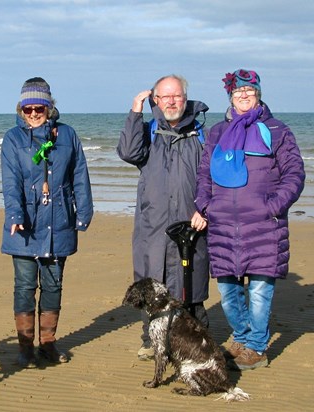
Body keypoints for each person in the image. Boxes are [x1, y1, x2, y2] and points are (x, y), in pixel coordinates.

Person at [195, 68, 305, 370]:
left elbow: (294, 174)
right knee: (228, 291)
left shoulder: (278, 130)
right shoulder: (217, 132)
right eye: (238, 91)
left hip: (263, 224)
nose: (243, 95)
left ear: (258, 94)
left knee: (259, 289)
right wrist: (205, 204)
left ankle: (257, 347)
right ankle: (241, 338)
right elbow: (204, 174)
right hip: (222, 225)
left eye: (249, 90)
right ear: (230, 96)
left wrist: (274, 206)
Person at [1, 77, 93, 367]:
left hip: (59, 220)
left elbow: (79, 175)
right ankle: (26, 349)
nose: (33, 114)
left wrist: (84, 212)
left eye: (38, 108)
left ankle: (48, 346)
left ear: (49, 106)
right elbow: (11, 181)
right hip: (24, 226)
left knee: (53, 286)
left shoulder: (67, 135)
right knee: (25, 286)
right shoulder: (12, 139)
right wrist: (15, 215)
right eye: (27, 110)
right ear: (21, 110)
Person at [117, 75, 210, 360]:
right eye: (165, 96)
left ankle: (197, 342)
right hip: (152, 226)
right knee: (153, 285)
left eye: (177, 96)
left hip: (191, 226)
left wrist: (206, 210)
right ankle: (152, 341)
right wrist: (135, 111)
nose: (172, 101)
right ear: (155, 100)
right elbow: (128, 152)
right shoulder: (148, 131)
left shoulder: (202, 135)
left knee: (190, 287)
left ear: (186, 98)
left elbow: (213, 178)